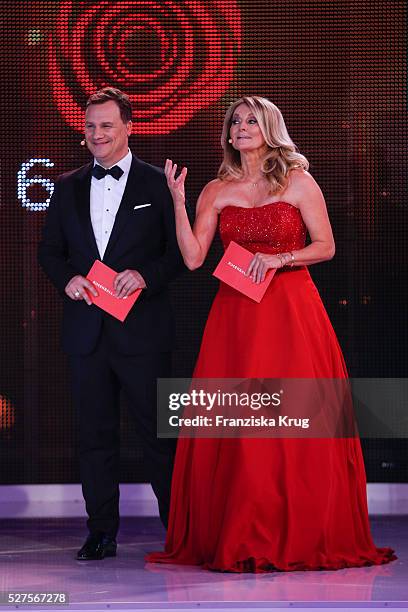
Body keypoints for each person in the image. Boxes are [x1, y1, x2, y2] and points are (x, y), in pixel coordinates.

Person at [146, 96, 396, 572]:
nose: (240, 127)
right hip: (236, 315)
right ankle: (242, 529)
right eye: (235, 121)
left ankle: (298, 529)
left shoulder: (299, 182)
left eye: (250, 121)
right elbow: (195, 258)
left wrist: (280, 258)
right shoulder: (217, 189)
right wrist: (178, 202)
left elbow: (326, 246)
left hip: (290, 310)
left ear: (269, 129)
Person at [38, 87, 184, 561]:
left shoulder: (158, 183)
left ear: (128, 127)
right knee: (95, 437)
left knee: (159, 437)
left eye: (106, 125)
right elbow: (50, 253)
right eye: (90, 126)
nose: (97, 134)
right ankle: (101, 532)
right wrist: (69, 280)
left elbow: (181, 254)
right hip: (86, 335)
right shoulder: (66, 186)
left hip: (143, 333)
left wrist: (146, 275)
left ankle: (178, 530)